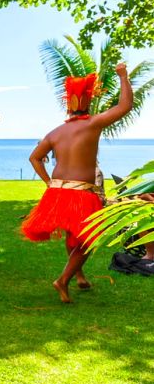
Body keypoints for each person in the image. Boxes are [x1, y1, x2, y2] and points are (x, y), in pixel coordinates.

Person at [21, 64, 133, 303]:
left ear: (68, 105)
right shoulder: (93, 124)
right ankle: (63, 280)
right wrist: (123, 76)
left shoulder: (55, 132)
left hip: (57, 192)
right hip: (81, 193)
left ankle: (79, 275)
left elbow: (34, 157)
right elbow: (125, 107)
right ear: (88, 102)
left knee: (73, 234)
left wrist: (49, 182)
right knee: (88, 240)